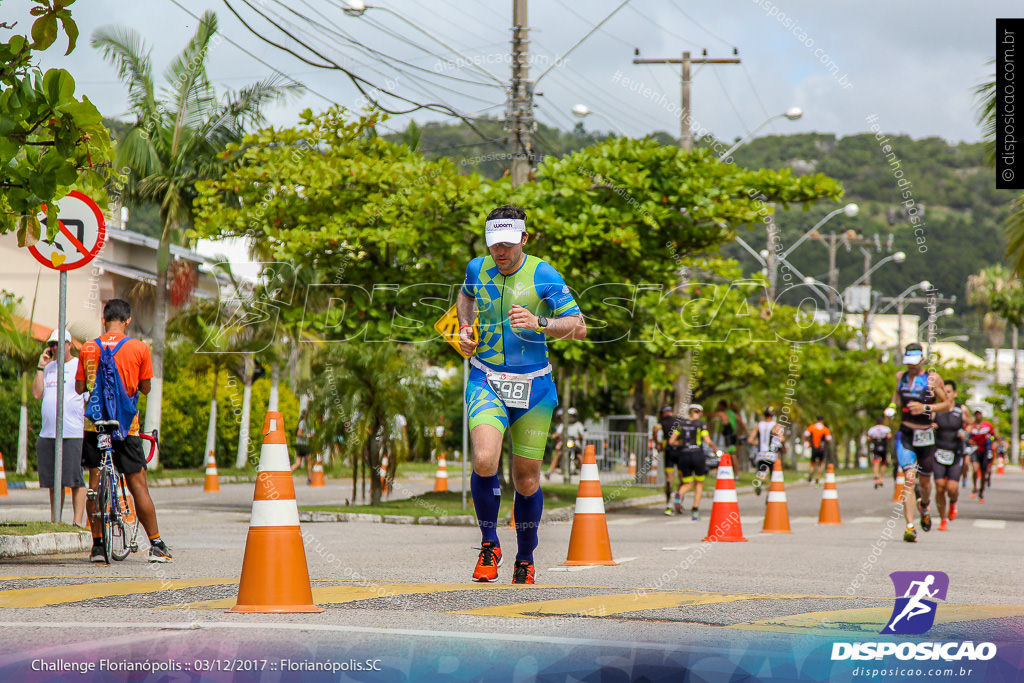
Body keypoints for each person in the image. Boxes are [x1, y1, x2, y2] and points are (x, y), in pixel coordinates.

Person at [458, 205, 586, 585]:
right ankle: (489, 544)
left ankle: (526, 557)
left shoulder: (543, 274)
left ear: (524, 240)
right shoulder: (476, 268)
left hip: (534, 386)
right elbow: (465, 297)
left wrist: (539, 322)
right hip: (486, 378)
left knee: (525, 480)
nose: (501, 252)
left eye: (509, 245)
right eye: (494, 244)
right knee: (483, 459)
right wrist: (466, 328)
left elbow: (579, 326)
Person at [75, 299, 170, 563]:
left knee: (94, 484)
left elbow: (79, 387)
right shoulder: (139, 348)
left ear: (103, 319)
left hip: (96, 426)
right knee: (138, 484)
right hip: (127, 428)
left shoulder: (88, 347)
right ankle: (157, 544)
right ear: (127, 321)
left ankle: (97, 546)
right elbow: (146, 388)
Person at [884, 342, 952, 543]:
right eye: (908, 363)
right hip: (905, 433)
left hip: (925, 436)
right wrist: (891, 408)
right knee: (909, 478)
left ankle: (925, 505)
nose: (911, 367)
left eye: (914, 363)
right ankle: (909, 526)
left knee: (925, 483)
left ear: (922, 360)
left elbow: (948, 404)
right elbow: (896, 397)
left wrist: (926, 409)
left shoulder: (932, 379)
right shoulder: (900, 377)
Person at [32, 328, 86, 527]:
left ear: (69, 344)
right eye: (52, 344)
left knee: (75, 479)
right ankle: (56, 520)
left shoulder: (78, 366)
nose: (54, 347)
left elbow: (87, 398)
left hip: (72, 432)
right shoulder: (48, 368)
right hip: (48, 433)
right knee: (54, 482)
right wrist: (40, 367)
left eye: (58, 343)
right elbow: (37, 393)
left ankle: (77, 522)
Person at [670, 404, 721, 521]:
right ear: (700, 413)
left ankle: (679, 494)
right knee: (699, 483)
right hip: (697, 454)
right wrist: (715, 449)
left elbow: (671, 440)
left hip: (684, 455)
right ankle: (695, 510)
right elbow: (707, 441)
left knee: (687, 483)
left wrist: (681, 444)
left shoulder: (681, 424)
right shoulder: (700, 425)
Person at [932, 381, 969, 531]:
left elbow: (970, 424)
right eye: (943, 391)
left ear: (954, 393)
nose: (945, 394)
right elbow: (926, 424)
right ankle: (943, 519)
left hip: (956, 452)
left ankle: (953, 502)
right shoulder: (935, 410)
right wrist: (930, 426)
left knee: (951, 487)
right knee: (940, 487)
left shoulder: (962, 409)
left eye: (948, 392)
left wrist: (964, 433)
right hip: (939, 451)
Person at [747, 406, 785, 494]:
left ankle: (760, 482)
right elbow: (782, 439)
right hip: (771, 454)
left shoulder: (759, 425)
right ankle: (769, 495)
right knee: (772, 476)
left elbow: (750, 440)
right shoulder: (775, 425)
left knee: (762, 471)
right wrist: (782, 446)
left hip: (761, 454)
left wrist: (757, 444)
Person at [654, 405, 683, 514]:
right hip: (680, 451)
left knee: (669, 479)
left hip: (669, 451)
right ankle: (678, 501)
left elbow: (655, 429)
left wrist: (657, 443)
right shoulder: (678, 420)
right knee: (682, 478)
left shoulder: (661, 421)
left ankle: (669, 505)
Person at [545, 407, 585, 480]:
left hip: (575, 444)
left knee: (579, 456)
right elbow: (557, 433)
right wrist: (552, 436)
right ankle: (549, 472)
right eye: (569, 416)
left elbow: (583, 434)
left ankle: (585, 474)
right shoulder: (564, 424)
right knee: (558, 454)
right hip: (565, 443)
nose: (570, 417)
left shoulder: (578, 424)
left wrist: (582, 437)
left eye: (572, 416)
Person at [967, 409, 996, 502]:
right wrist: (969, 441)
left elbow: (994, 437)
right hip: (975, 450)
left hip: (985, 450)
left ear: (982, 415)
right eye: (976, 414)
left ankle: (981, 491)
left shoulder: (987, 425)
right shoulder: (971, 426)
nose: (978, 416)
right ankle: (975, 486)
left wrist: (990, 438)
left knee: (984, 473)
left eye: (979, 414)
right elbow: (966, 436)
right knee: (975, 469)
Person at [803, 416, 832, 485]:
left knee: (812, 464)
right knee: (820, 464)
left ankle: (810, 475)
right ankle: (817, 478)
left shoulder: (812, 427)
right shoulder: (825, 429)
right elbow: (829, 439)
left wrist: (809, 441)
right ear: (823, 421)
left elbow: (805, 435)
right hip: (821, 448)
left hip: (814, 448)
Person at [866, 416, 892, 489]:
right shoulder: (886, 429)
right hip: (883, 446)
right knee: (883, 462)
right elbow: (889, 436)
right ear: (882, 422)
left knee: (876, 461)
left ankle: (875, 476)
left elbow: (868, 438)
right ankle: (881, 478)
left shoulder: (872, 429)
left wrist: (871, 441)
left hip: (876, 446)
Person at [291, 409, 312, 482]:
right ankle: (309, 479)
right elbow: (298, 433)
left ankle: (287, 474)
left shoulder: (307, 423)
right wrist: (307, 435)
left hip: (301, 445)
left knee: (298, 463)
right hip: (303, 445)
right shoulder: (303, 423)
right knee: (309, 461)